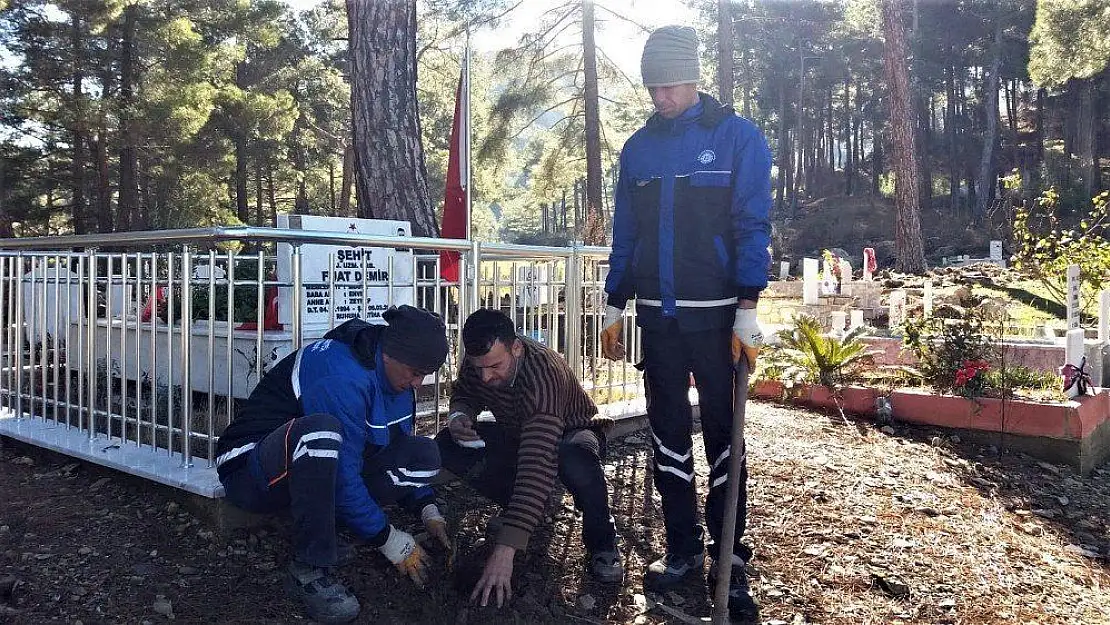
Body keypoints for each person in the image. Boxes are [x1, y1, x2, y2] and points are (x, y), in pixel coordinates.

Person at [599, 24, 771, 622]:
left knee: (725, 440)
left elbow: (753, 223)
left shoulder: (737, 139)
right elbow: (629, 232)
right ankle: (680, 551)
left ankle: (731, 555)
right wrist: (616, 301)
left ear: (694, 78)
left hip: (718, 319)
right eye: (653, 88)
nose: (661, 97)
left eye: (669, 85)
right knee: (668, 436)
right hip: (660, 321)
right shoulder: (639, 149)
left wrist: (748, 304)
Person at [215, 305, 452, 624]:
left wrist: (428, 510)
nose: (417, 383)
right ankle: (309, 567)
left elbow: (395, 447)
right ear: (390, 354)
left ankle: (335, 522)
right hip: (251, 469)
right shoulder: (340, 373)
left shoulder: (397, 378)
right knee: (321, 433)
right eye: (414, 372)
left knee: (424, 455)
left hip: (311, 471)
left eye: (425, 374)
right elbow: (341, 472)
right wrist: (388, 539)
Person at [436, 308, 624, 608]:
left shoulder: (541, 375)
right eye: (478, 367)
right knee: (447, 444)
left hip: (571, 432)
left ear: (517, 348)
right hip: (516, 433)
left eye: (495, 366)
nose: (486, 377)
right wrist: (460, 416)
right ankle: (527, 510)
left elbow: (537, 461)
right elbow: (466, 393)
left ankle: (602, 540)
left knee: (573, 458)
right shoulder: (482, 360)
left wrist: (505, 550)